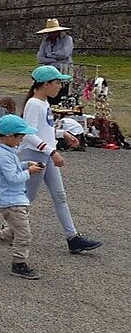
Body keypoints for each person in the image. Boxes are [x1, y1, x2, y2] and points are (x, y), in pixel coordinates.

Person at [20, 66, 102, 254]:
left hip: (45, 155)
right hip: (36, 156)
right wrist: (51, 152)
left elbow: (43, 130)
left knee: (60, 196)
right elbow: (27, 134)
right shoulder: (34, 104)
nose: (60, 86)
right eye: (57, 83)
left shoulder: (44, 103)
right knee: (27, 198)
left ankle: (72, 238)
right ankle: (7, 231)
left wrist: (61, 133)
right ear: (45, 84)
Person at [0, 114, 46, 280]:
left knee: (17, 230)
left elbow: (14, 169)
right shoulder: (4, 155)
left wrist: (26, 164)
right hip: (10, 201)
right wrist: (29, 172)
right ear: (9, 136)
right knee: (24, 234)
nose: (22, 140)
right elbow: (13, 178)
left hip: (16, 199)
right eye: (20, 137)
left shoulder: (8, 150)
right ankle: (19, 264)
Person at [36, 18, 74, 105]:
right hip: (49, 74)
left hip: (63, 72)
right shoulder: (45, 42)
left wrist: (49, 55)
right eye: (49, 32)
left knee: (61, 97)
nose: (51, 34)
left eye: (53, 31)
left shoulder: (67, 39)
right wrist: (55, 59)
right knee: (48, 97)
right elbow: (40, 58)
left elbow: (65, 53)